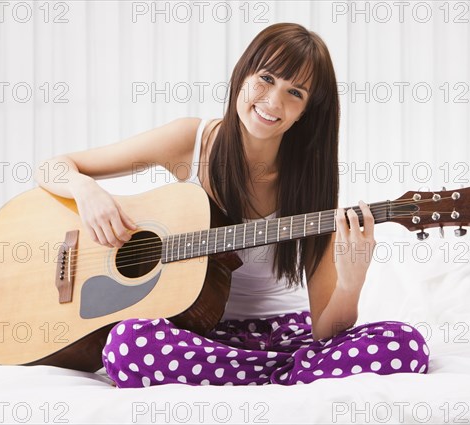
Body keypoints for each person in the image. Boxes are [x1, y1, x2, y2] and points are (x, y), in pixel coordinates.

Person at [35, 23, 429, 388]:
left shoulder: (312, 188)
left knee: (406, 344)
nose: (272, 101)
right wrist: (86, 192)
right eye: (266, 78)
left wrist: (351, 282)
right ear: (243, 75)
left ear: (307, 112)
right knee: (127, 344)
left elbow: (328, 331)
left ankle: (259, 370)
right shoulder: (192, 142)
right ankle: (284, 375)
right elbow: (53, 167)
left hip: (284, 333)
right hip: (197, 332)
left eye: (295, 92)